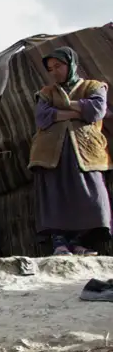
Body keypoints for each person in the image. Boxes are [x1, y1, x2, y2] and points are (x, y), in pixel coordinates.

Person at [29, 47, 111, 256]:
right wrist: (76, 111)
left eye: (59, 66)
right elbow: (43, 117)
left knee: (90, 196)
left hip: (85, 151)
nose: (54, 71)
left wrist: (64, 106)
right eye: (50, 68)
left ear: (71, 64)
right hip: (50, 153)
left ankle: (79, 241)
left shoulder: (94, 86)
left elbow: (95, 110)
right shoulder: (46, 92)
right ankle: (60, 243)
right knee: (56, 195)